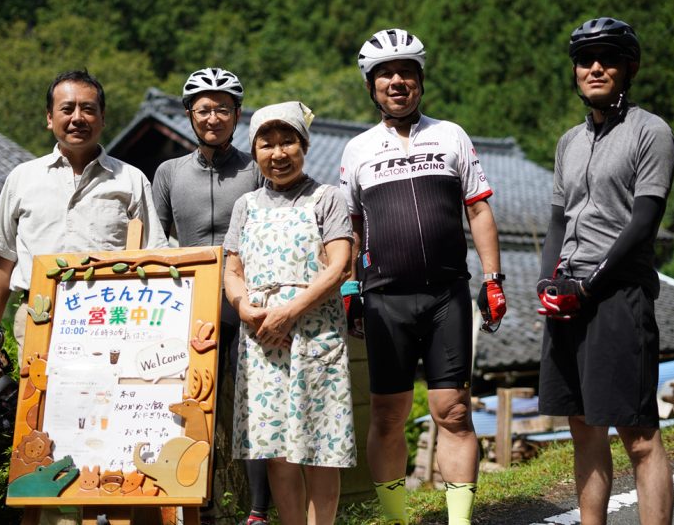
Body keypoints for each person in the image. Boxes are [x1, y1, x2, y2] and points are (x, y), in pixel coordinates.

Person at [0, 69, 167, 525]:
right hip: (37, 320)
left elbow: (157, 259)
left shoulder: (131, 180)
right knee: (42, 424)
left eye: (88, 109)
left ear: (102, 118)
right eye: (67, 108)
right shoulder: (23, 178)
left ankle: (106, 512)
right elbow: (1, 260)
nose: (77, 117)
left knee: (112, 419)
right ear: (49, 118)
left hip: (114, 324)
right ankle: (54, 518)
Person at [339, 28, 507, 525]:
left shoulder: (451, 134)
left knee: (453, 410)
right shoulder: (357, 150)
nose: (397, 81)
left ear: (420, 81)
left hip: (445, 295)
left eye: (407, 72)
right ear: (371, 86)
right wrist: (350, 288)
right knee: (389, 415)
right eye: (386, 74)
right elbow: (351, 225)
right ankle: (395, 518)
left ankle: (459, 521)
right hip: (384, 299)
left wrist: (493, 278)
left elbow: (478, 211)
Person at [537, 17, 674, 525]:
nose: (595, 67)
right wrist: (545, 281)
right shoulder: (568, 142)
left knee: (638, 433)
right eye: (585, 60)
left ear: (628, 68)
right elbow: (557, 219)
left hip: (618, 296)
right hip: (567, 295)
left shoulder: (651, 131)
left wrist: (591, 285)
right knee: (582, 426)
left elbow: (644, 221)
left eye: (608, 58)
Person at [223, 101, 356, 525]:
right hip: (261, 337)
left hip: (316, 334)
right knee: (277, 448)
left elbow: (338, 265)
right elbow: (232, 268)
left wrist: (289, 313)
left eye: (287, 142)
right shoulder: (245, 204)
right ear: (256, 151)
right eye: (267, 144)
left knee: (321, 446)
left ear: (304, 145)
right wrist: (246, 309)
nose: (277, 153)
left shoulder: (326, 197)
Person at [152, 67, 271, 525]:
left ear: (238, 115)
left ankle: (258, 511)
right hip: (189, 312)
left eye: (224, 108)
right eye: (204, 109)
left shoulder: (256, 168)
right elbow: (156, 242)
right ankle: (195, 507)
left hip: (247, 308)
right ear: (188, 115)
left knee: (253, 411)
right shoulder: (169, 172)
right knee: (191, 411)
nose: (214, 117)